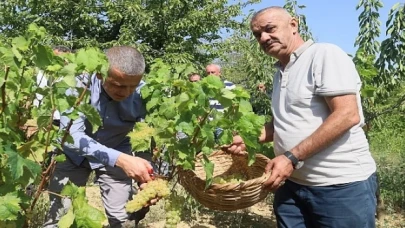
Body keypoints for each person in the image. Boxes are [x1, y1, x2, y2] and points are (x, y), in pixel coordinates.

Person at [226, 6, 377, 228]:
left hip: (340, 187)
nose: (264, 38)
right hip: (291, 185)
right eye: (258, 35)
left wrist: (291, 158)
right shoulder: (281, 72)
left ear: (294, 25)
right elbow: (283, 124)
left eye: (270, 29)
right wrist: (247, 137)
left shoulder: (323, 55)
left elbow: (347, 115)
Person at [43, 46, 155, 228]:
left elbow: (143, 136)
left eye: (132, 87)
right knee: (60, 218)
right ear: (100, 74)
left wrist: (147, 174)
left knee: (124, 219)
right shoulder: (75, 85)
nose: (126, 93)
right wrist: (119, 160)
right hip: (72, 156)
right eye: (119, 85)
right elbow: (72, 135)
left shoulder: (144, 93)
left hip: (118, 150)